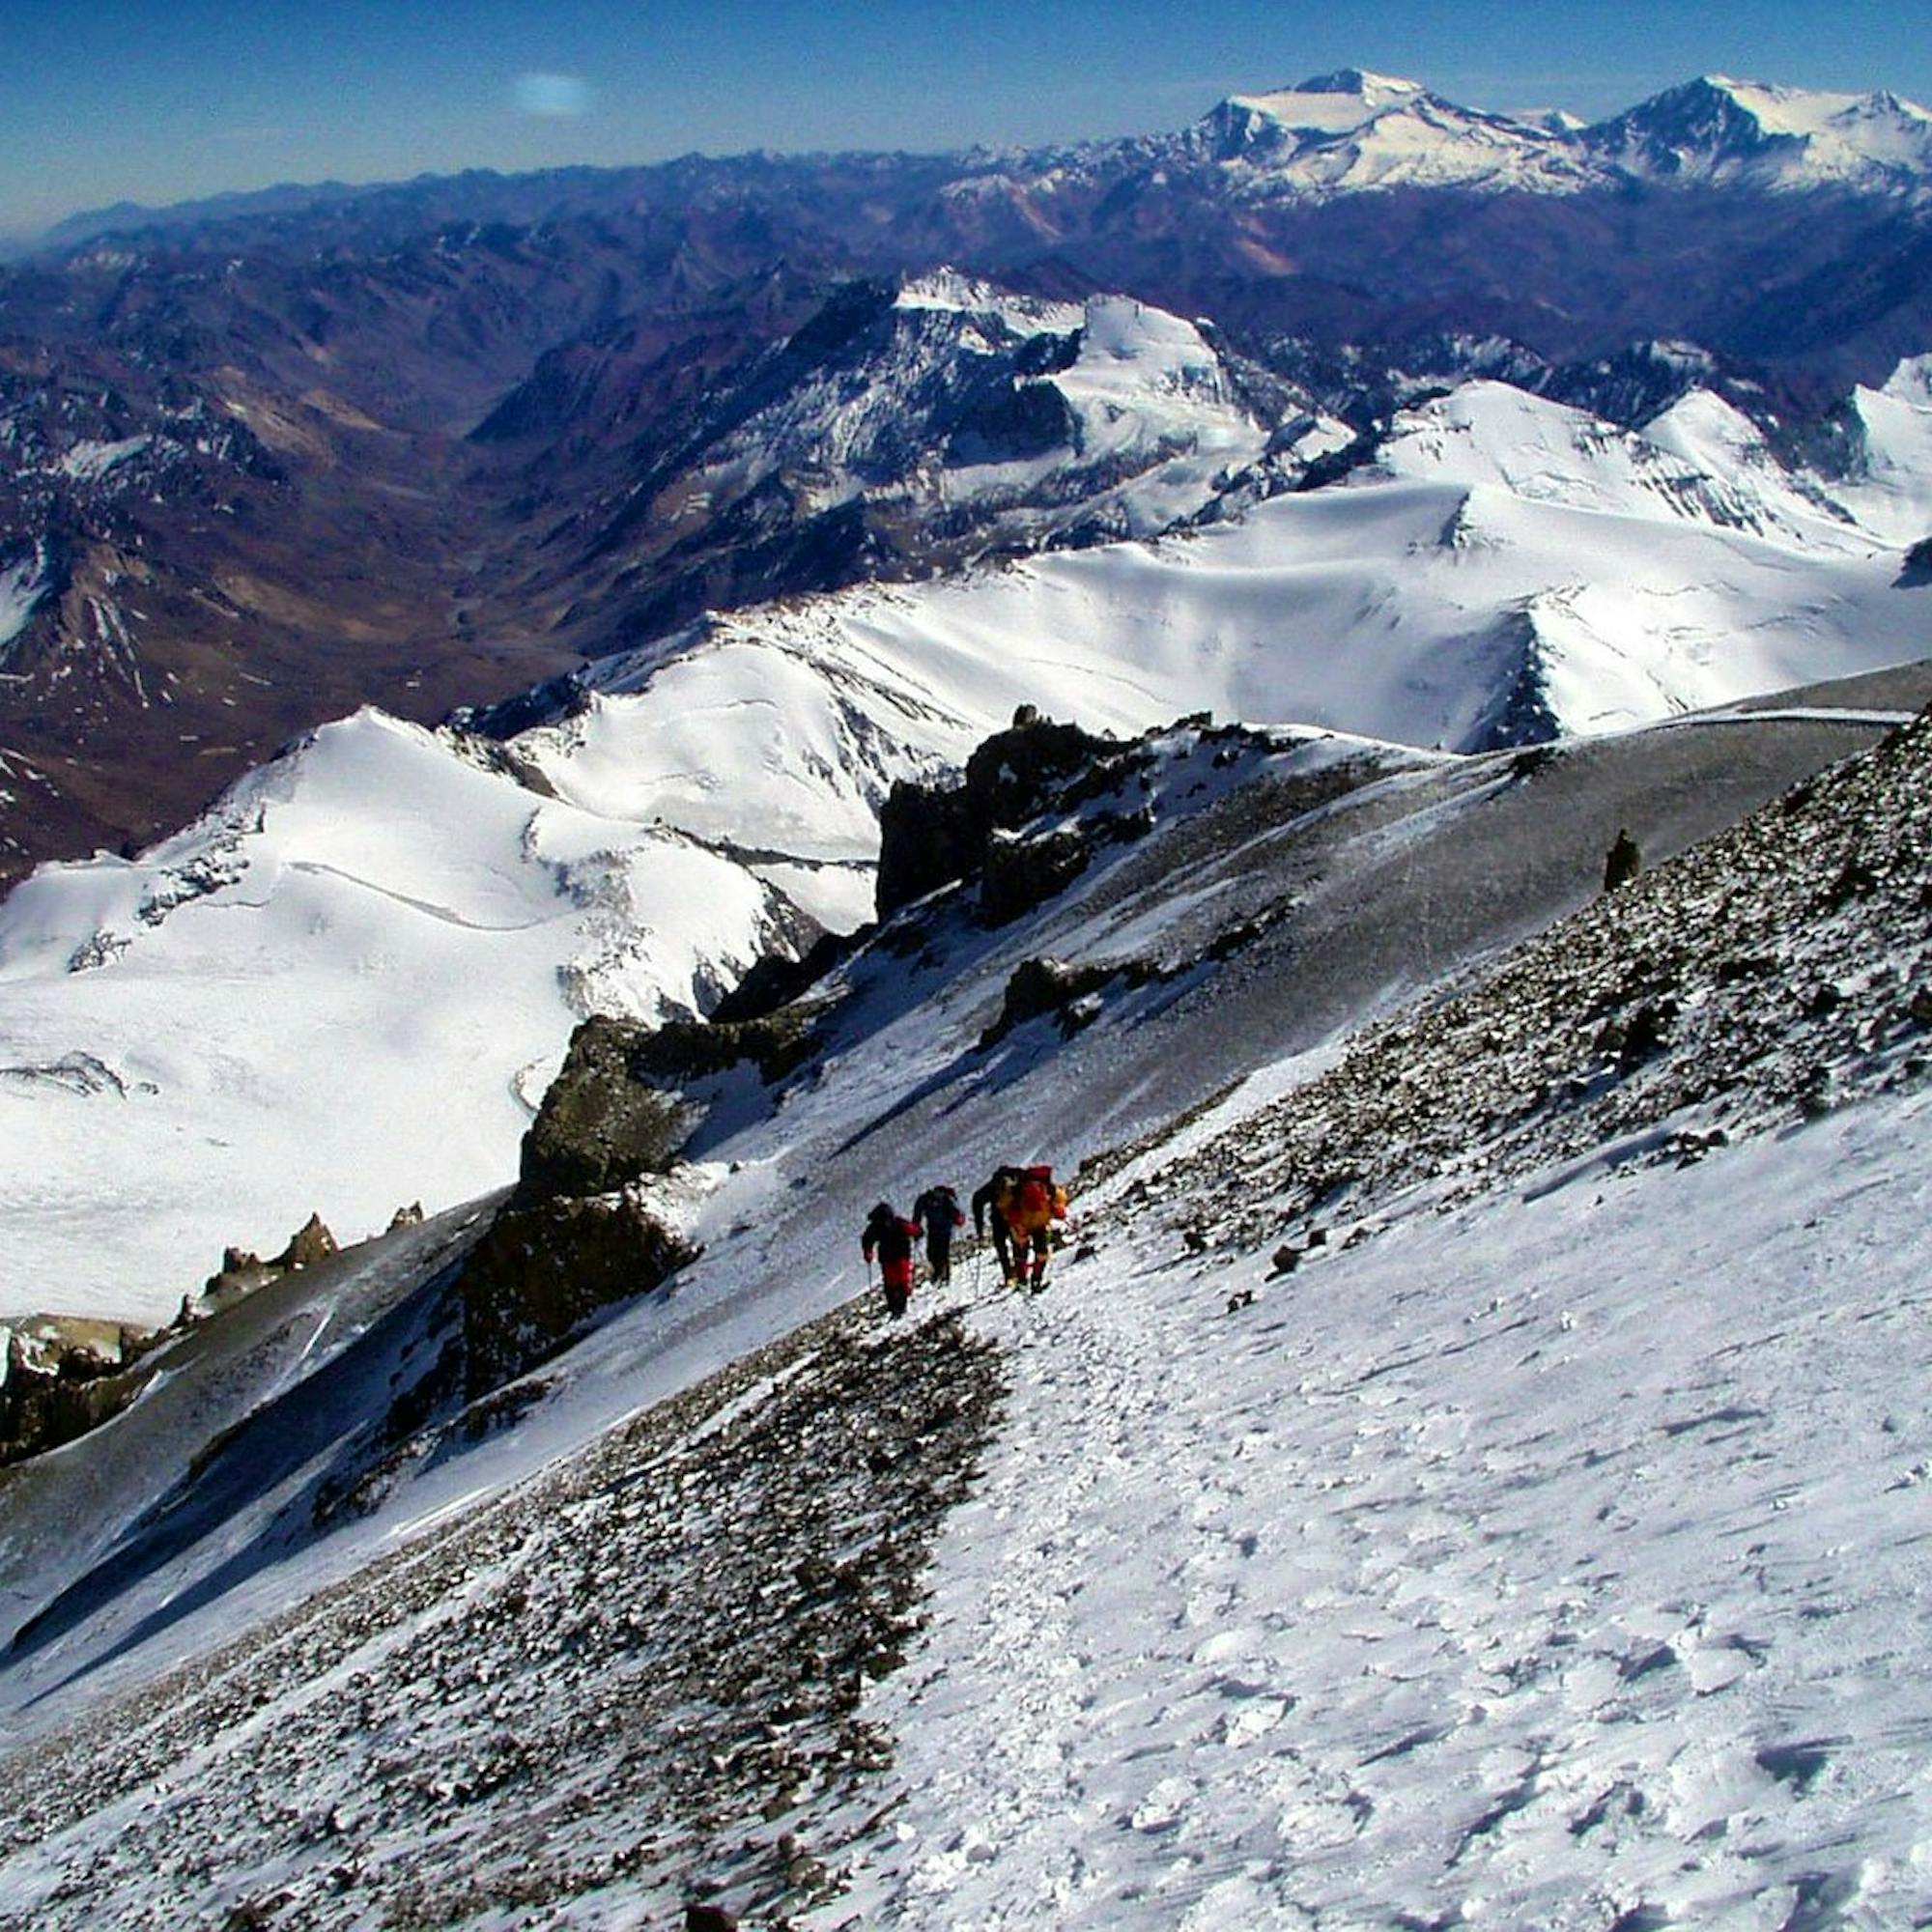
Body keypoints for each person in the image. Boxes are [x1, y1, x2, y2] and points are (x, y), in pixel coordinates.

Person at [1001, 1163, 1068, 1293]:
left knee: (1021, 1254)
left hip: (1021, 1225)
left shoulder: (1018, 1189)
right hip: (1041, 1224)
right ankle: (1036, 1281)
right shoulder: (1048, 1188)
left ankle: (1022, 1281)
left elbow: (1004, 1206)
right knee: (1041, 1253)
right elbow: (1061, 1203)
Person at [862, 1201, 920, 1318]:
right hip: (900, 1255)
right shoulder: (898, 1223)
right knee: (901, 1281)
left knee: (892, 1283)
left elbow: (867, 1239)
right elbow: (913, 1230)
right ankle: (899, 1308)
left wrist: (868, 1252)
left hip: (889, 1257)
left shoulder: (876, 1226)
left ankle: (895, 1308)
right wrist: (918, 1233)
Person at [972, 1164, 1028, 1285]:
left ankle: (1008, 1276)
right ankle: (1021, 1274)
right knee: (1018, 1246)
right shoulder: (1020, 1179)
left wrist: (979, 1227)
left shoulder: (993, 1185)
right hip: (1016, 1219)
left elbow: (977, 1199)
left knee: (1001, 1248)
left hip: (998, 1220)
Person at [911, 1182, 965, 1286]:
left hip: (945, 1230)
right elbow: (917, 1215)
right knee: (931, 1253)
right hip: (934, 1229)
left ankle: (944, 1276)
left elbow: (956, 1214)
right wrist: (916, 1229)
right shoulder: (927, 1200)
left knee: (942, 1253)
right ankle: (939, 1273)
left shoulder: (946, 1201)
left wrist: (916, 1229)